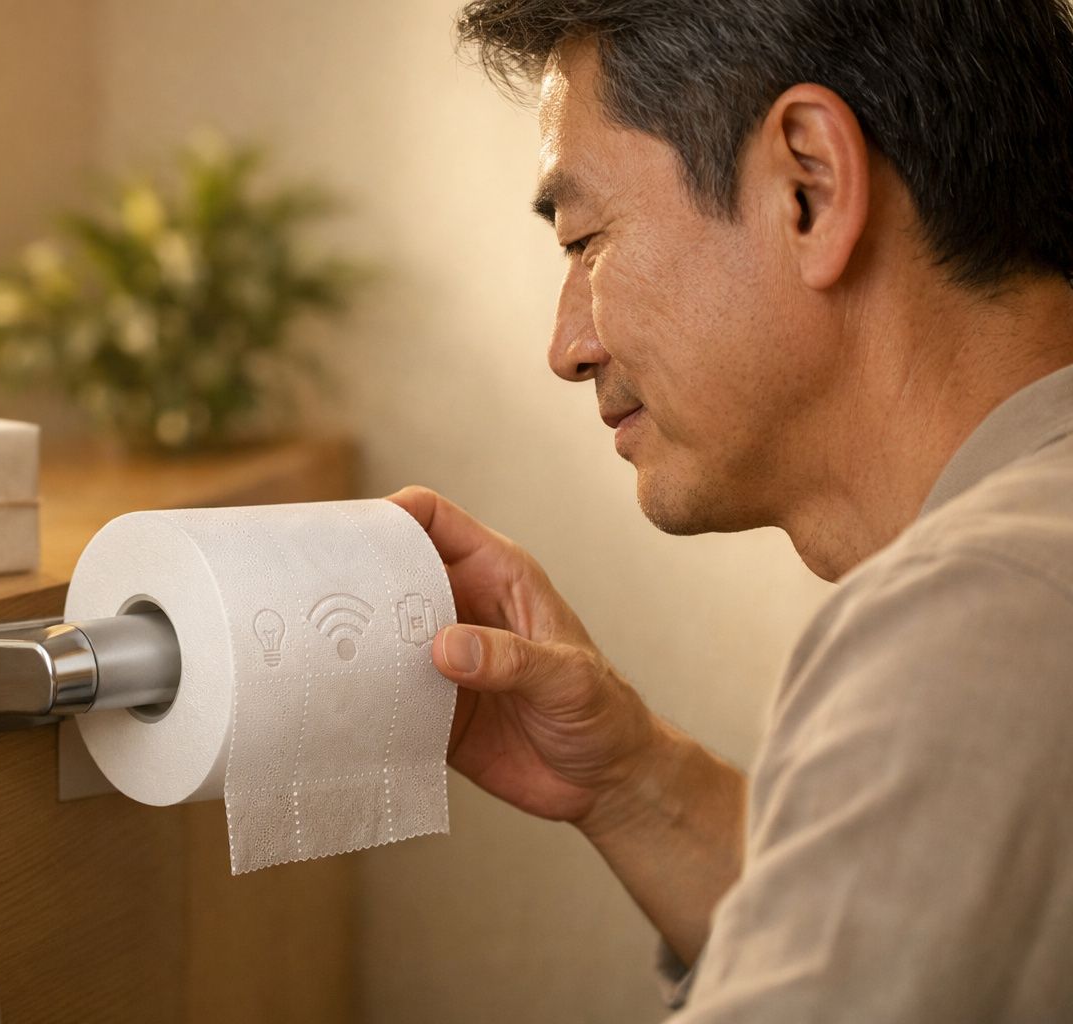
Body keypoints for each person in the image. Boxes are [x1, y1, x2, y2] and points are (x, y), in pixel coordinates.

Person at [388, 2, 1073, 1019]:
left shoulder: (978, 616)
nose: (567, 344)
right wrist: (630, 780)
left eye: (585, 239)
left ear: (810, 186)